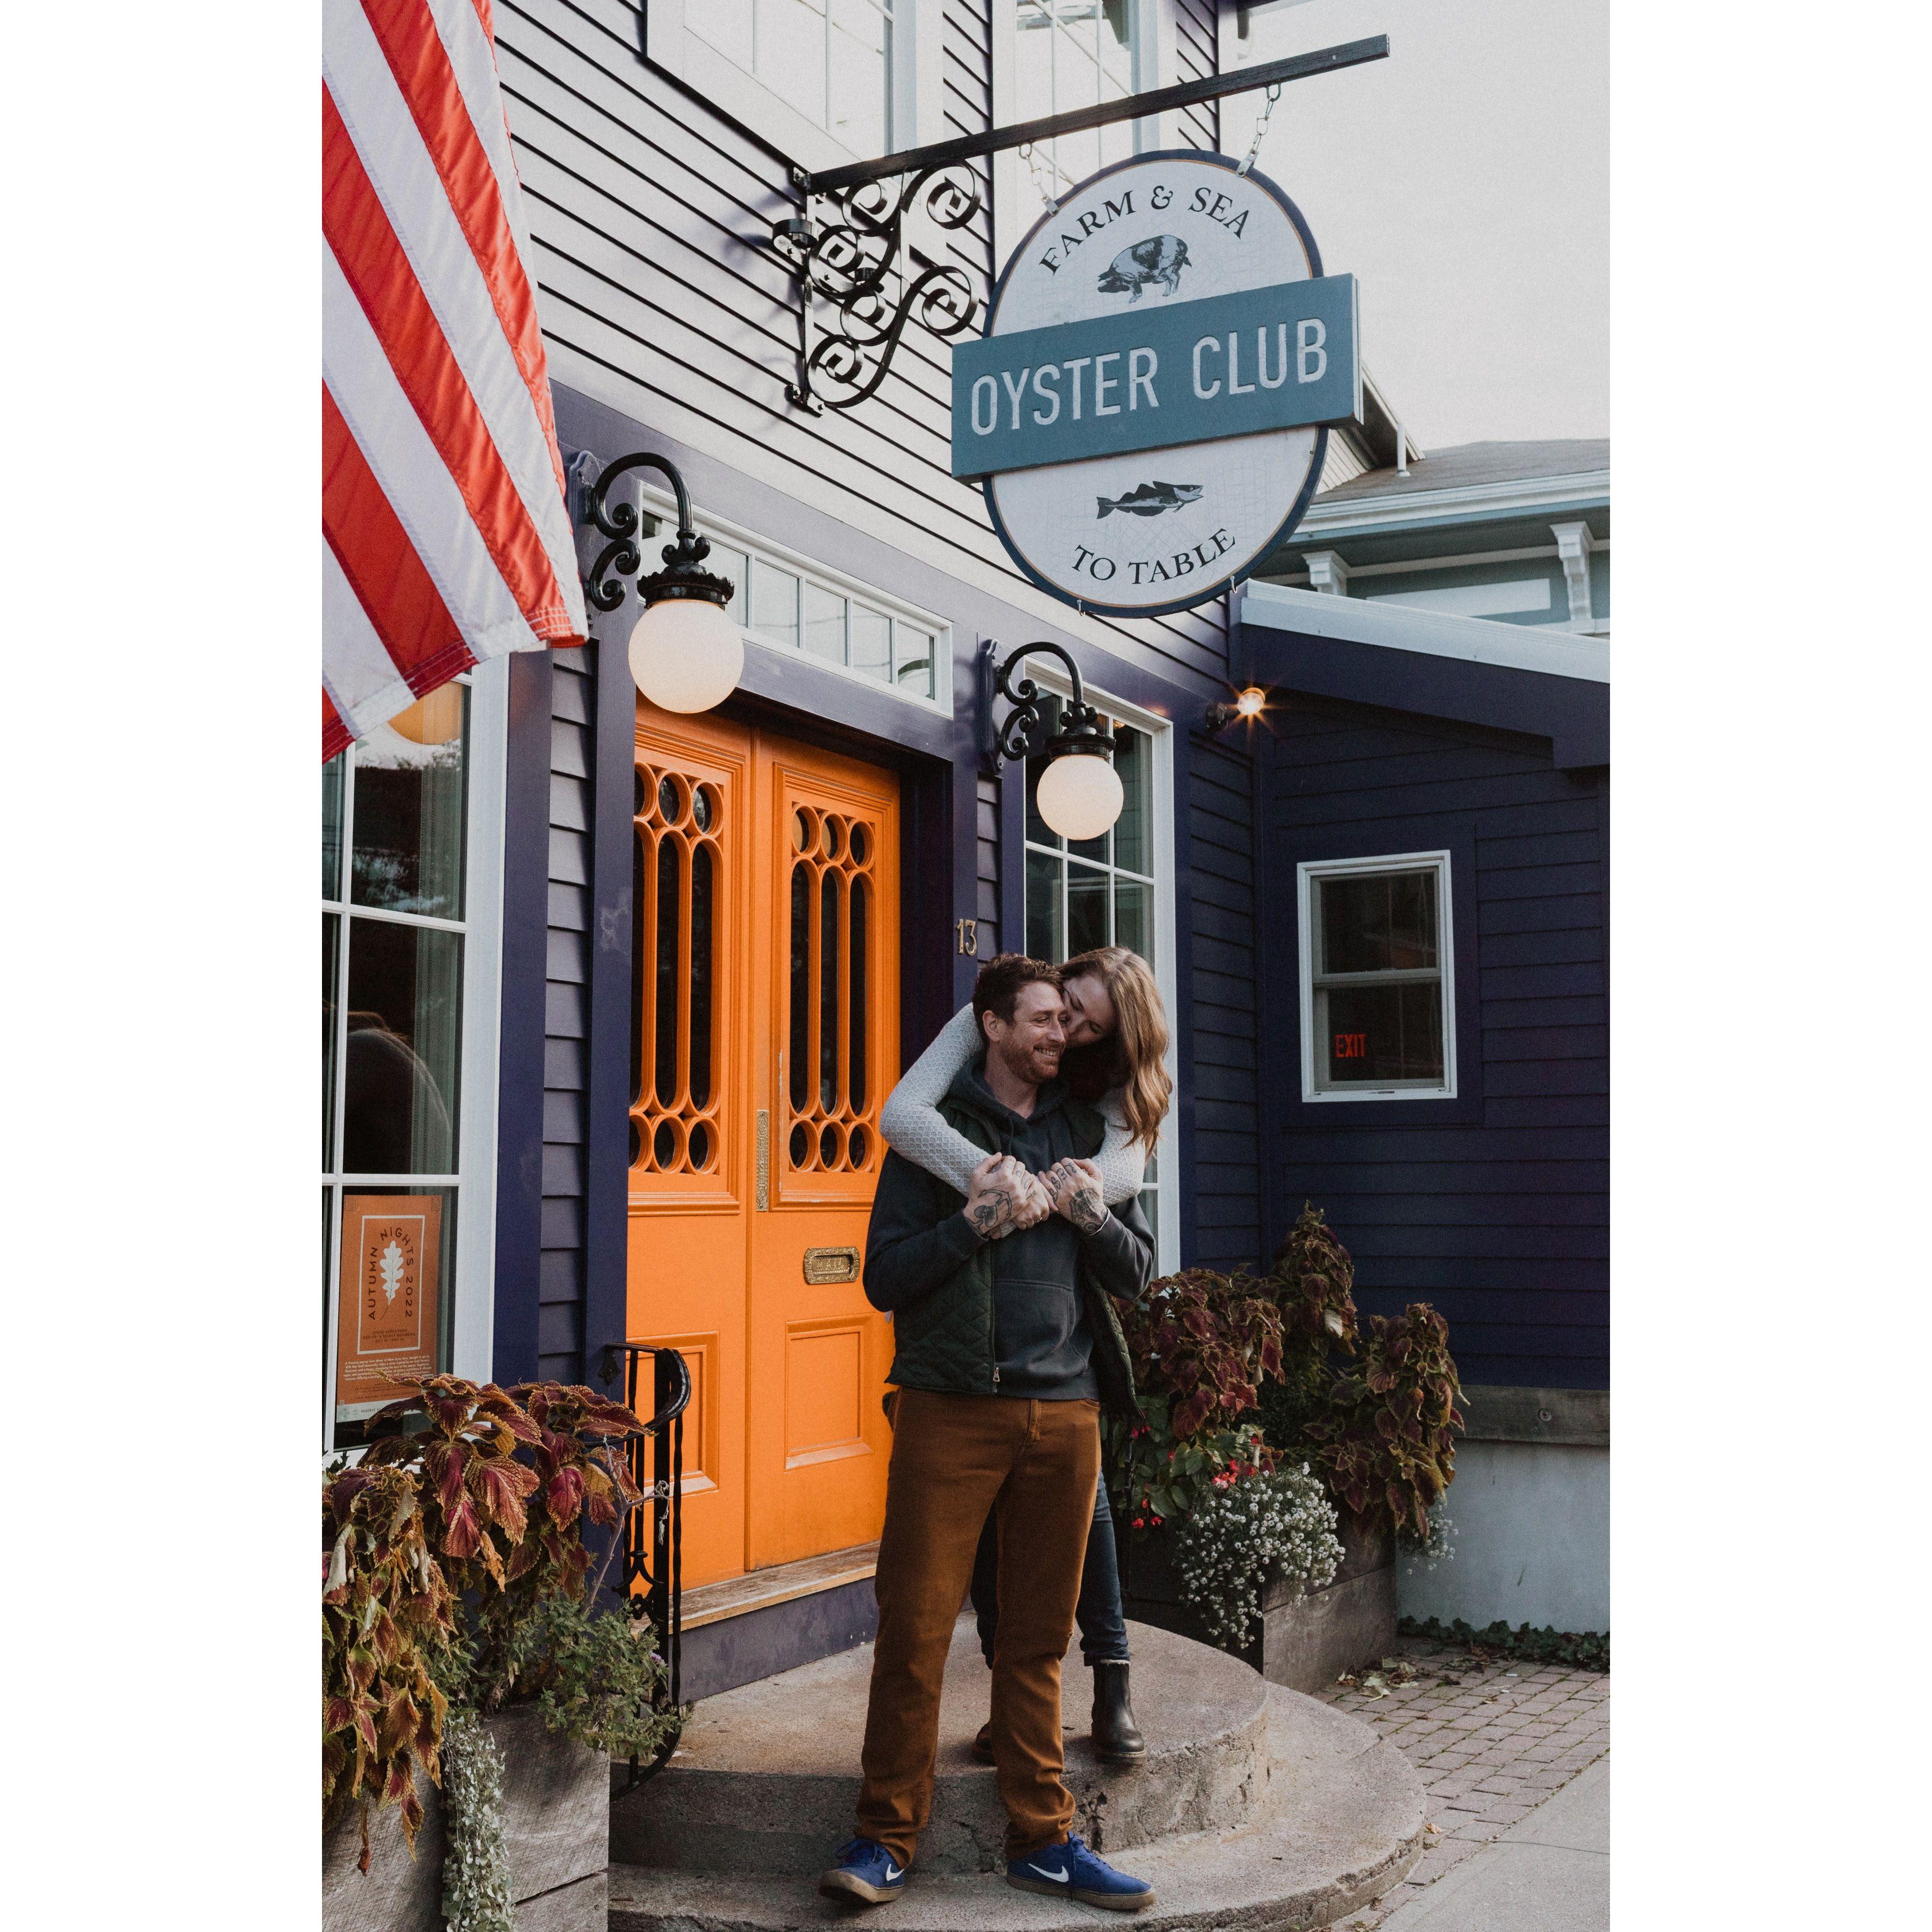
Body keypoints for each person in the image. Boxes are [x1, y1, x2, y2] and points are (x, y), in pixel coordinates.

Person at [819, 955, 1159, 1914]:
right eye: (1044, 1020)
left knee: (1037, 1641)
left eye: (1068, 1020)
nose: (1063, 1035)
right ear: (993, 1027)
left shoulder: (1085, 1132)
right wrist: (972, 1223)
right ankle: (884, 1839)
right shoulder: (940, 1145)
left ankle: (1043, 1840)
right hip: (950, 1412)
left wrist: (1091, 1211)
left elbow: (1134, 1274)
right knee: (917, 1631)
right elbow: (884, 1279)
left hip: (1067, 1414)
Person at [878, 946, 1173, 1766]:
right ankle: (970, 1744)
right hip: (963, 1376)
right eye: (1062, 1008)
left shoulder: (1106, 1098)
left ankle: (1111, 1684)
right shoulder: (998, 1024)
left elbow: (1119, 1201)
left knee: (1088, 1520)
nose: (1068, 1029)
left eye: (1085, 1024)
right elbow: (902, 1117)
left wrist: (1066, 1199)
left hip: (1061, 1364)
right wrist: (993, 1184)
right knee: (947, 1582)